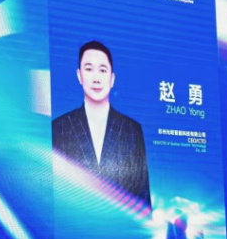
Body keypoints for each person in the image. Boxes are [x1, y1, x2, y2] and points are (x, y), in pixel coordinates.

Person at [52, 40, 152, 208]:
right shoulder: (59, 127)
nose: (96, 78)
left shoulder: (132, 130)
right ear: (79, 76)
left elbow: (143, 198)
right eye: (89, 69)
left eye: (103, 70)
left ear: (112, 79)